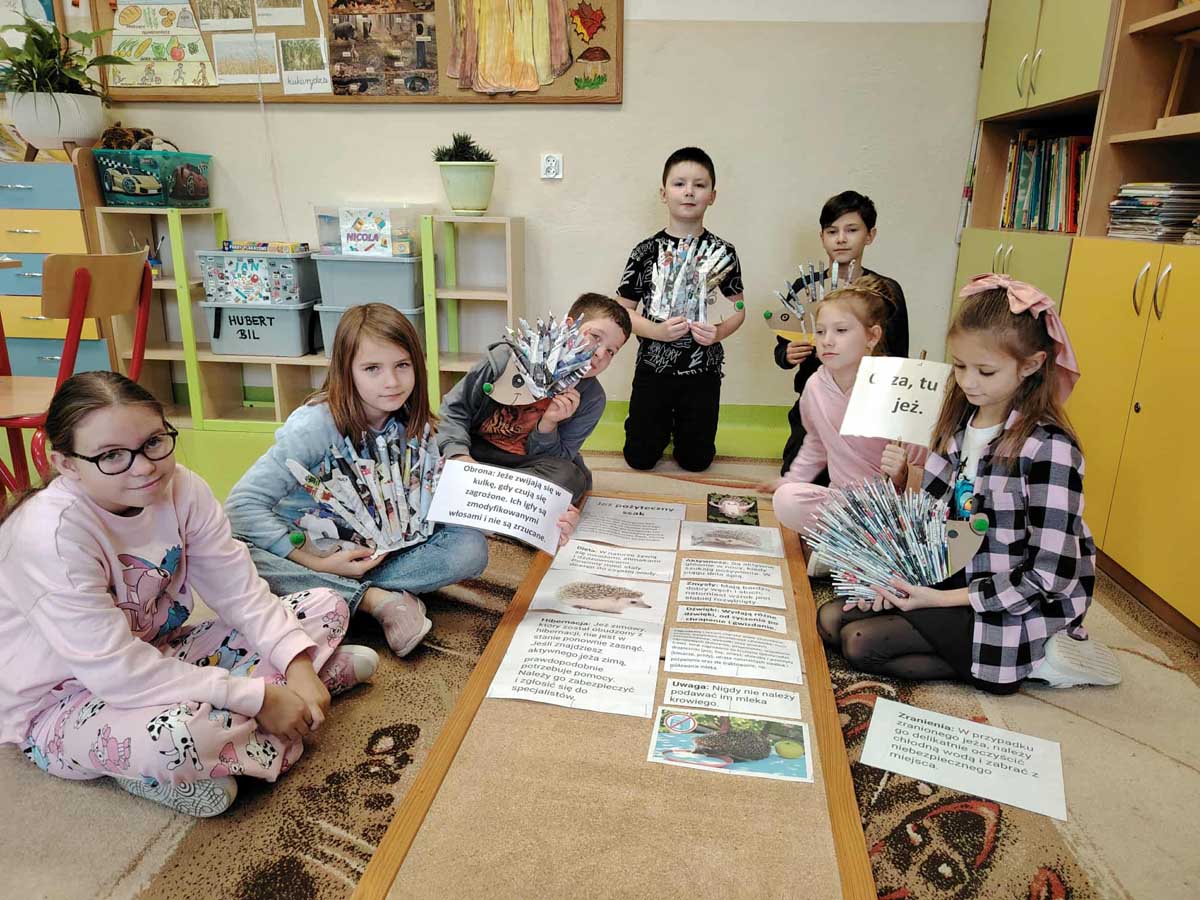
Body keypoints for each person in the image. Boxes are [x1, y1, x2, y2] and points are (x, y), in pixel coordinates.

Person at [0, 372, 376, 817]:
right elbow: (118, 673)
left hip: (160, 650)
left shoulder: (181, 487)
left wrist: (295, 661)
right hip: (64, 701)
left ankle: (268, 714)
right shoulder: (50, 537)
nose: (144, 467)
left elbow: (239, 591)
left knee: (325, 606)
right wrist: (257, 698)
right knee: (176, 739)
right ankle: (264, 717)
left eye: (153, 442)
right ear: (66, 464)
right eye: (112, 456)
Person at [816, 275, 1120, 692]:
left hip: (1014, 602)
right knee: (831, 620)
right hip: (956, 576)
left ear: (1031, 365)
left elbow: (1049, 577)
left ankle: (1039, 659)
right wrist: (893, 576)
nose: (968, 381)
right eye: (959, 366)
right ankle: (992, 653)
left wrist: (936, 599)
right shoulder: (958, 425)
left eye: (985, 371)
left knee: (860, 643)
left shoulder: (1050, 448)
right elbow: (933, 519)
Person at [226, 304, 489, 658]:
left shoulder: (415, 423)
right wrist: (316, 563)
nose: (391, 382)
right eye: (372, 369)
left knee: (470, 546)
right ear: (346, 372)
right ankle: (374, 601)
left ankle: (333, 592)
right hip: (309, 550)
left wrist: (511, 515)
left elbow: (431, 503)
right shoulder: (315, 426)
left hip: (378, 553)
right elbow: (240, 507)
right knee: (236, 558)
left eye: (402, 365)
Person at [436, 292, 630, 515]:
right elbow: (453, 411)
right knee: (434, 453)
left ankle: (484, 500)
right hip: (476, 453)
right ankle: (506, 505)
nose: (600, 353)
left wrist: (548, 425)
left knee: (572, 479)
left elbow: (560, 458)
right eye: (595, 336)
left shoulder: (592, 399)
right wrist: (460, 457)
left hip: (528, 467)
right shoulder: (505, 358)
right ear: (569, 326)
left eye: (611, 351)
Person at [617, 146, 745, 473]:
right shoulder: (645, 251)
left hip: (703, 372)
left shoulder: (723, 252)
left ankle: (684, 433)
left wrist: (718, 332)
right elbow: (622, 311)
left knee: (696, 462)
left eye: (699, 185)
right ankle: (653, 428)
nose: (689, 191)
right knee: (639, 459)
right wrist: (656, 331)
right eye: (679, 184)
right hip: (653, 369)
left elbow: (738, 309)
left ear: (712, 196)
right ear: (664, 193)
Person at [768, 277, 926, 536]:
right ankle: (851, 538)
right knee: (786, 500)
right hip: (842, 502)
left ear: (872, 336)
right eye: (820, 332)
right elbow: (816, 443)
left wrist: (904, 473)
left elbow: (923, 469)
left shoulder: (898, 387)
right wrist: (791, 479)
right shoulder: (815, 385)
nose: (827, 341)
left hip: (891, 508)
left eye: (841, 331)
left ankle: (854, 540)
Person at [775, 190, 909, 474]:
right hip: (815, 403)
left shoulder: (886, 291)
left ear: (870, 235)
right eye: (832, 231)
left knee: (863, 480)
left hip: (867, 406)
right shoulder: (803, 288)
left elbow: (899, 356)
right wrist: (787, 354)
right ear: (822, 236)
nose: (841, 239)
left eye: (852, 230)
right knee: (796, 477)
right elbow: (781, 348)